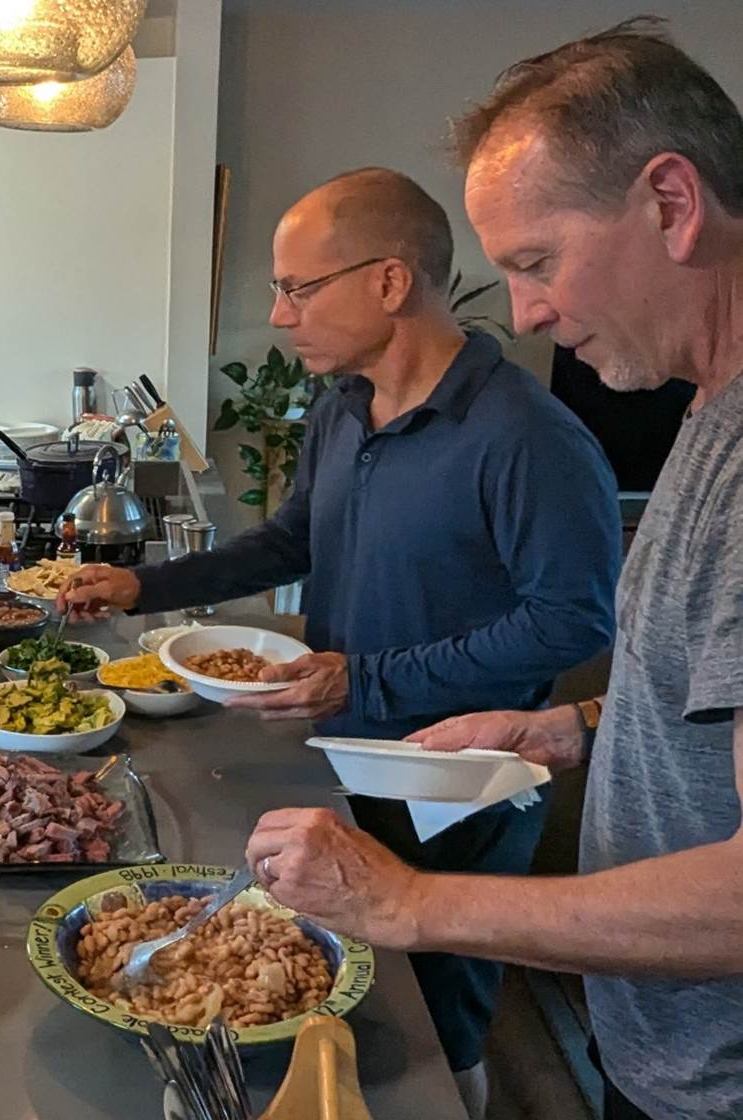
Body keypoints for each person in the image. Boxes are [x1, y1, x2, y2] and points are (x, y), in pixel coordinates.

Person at [242, 19, 743, 1120]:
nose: (523, 313)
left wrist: (412, 902)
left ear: (671, 203)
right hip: (659, 1048)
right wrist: (576, 728)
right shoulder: (707, 413)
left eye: (535, 262)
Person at [60, 168, 620, 1115]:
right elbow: (291, 540)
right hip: (340, 755)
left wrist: (369, 674)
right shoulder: (342, 410)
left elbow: (570, 621)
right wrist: (145, 584)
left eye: (298, 287)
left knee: (439, 1021)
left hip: (459, 782)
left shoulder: (525, 435)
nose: (280, 315)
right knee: (337, 995)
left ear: (390, 282)